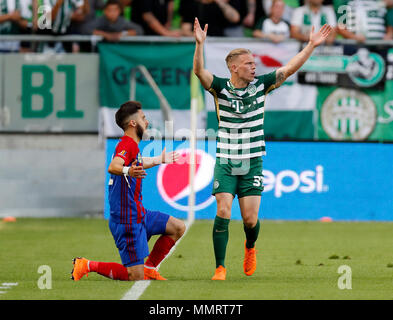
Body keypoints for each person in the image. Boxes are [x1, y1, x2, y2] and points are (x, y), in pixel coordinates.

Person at [192, 17, 332, 280]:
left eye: (254, 64)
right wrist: (199, 44)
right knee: (223, 209)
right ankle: (220, 267)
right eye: (248, 64)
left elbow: (288, 69)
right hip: (226, 160)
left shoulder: (261, 86)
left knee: (249, 220)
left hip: (253, 161)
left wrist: (311, 45)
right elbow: (199, 71)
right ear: (234, 68)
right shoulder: (220, 88)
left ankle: (250, 247)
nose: (254, 68)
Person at [71, 101, 186, 281]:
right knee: (134, 276)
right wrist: (128, 171)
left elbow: (137, 161)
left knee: (177, 227)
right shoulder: (127, 145)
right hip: (127, 220)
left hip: (139, 213)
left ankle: (149, 268)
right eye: (143, 118)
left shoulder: (130, 145)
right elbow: (114, 166)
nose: (146, 122)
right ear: (133, 123)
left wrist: (159, 159)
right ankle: (86, 265)